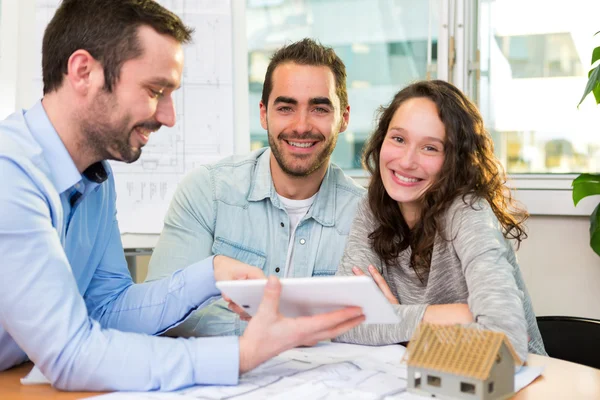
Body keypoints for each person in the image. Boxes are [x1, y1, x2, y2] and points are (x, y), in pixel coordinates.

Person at [0, 0, 365, 391]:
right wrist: (241, 356)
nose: (168, 116)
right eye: (155, 90)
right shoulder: (11, 175)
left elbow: (108, 312)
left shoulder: (96, 181)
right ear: (83, 72)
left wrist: (210, 273)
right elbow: (70, 355)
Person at [146, 38, 365, 337]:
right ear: (263, 114)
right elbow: (159, 313)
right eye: (286, 108)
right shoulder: (207, 191)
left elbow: (373, 326)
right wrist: (279, 330)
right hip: (221, 380)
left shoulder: (368, 216)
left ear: (344, 118)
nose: (301, 125)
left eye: (319, 109)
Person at [333, 80, 546, 362]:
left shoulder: (468, 211)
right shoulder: (372, 207)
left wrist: (392, 319)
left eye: (430, 148)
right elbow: (340, 320)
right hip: (422, 379)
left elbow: (506, 338)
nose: (407, 161)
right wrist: (449, 315)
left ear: (454, 161)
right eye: (398, 139)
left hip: (513, 383)